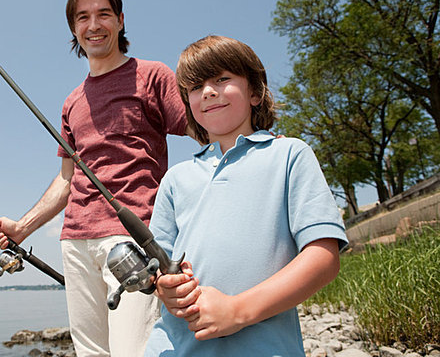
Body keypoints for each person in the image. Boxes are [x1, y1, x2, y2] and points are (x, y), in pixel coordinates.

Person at [0, 0, 188, 357]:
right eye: (83, 17)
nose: (93, 25)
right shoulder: (71, 102)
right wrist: (22, 227)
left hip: (134, 239)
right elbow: (67, 180)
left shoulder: (153, 75)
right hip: (75, 242)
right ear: (73, 28)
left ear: (121, 20)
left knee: (134, 351)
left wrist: (257, 143)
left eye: (103, 14)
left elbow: (204, 131)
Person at [143, 35, 348, 357]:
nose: (208, 91)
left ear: (255, 92)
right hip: (171, 348)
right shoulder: (174, 179)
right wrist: (165, 288)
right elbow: (159, 266)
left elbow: (323, 257)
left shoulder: (289, 154)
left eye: (222, 79)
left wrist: (237, 311)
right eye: (195, 87)